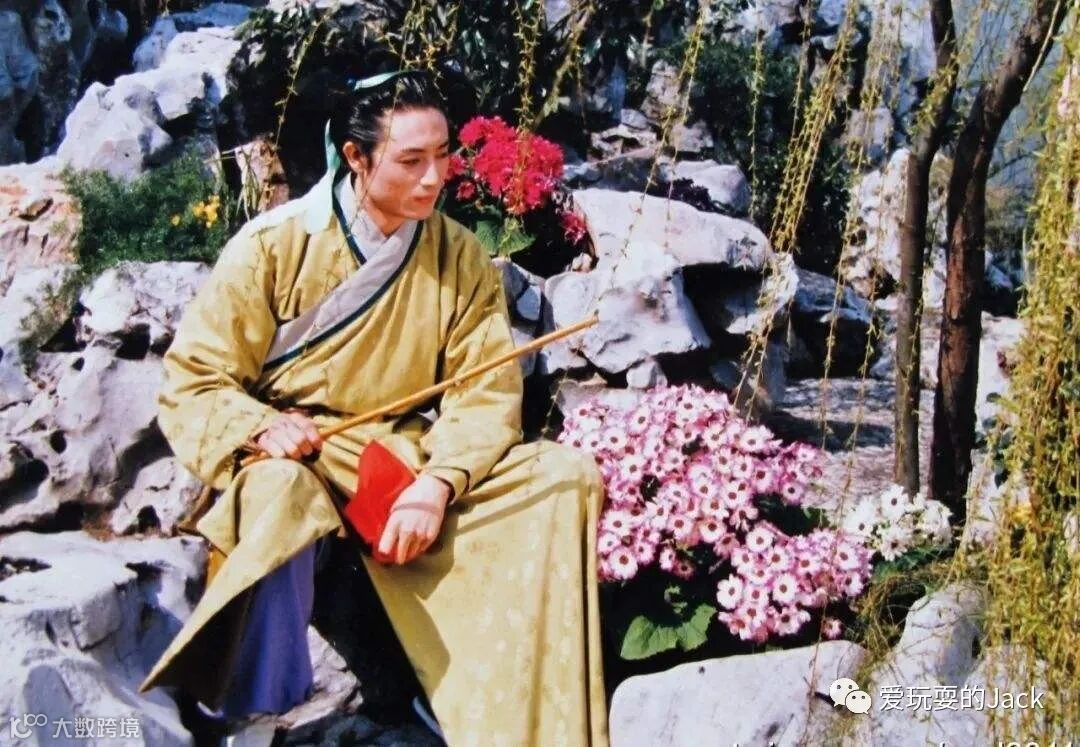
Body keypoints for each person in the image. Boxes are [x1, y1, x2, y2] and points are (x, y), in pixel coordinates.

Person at [138, 69, 609, 746]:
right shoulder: (274, 246)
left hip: (401, 460)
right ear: (356, 157)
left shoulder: (459, 254)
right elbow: (195, 377)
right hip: (299, 455)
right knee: (278, 493)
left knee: (562, 476)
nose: (434, 177)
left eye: (443, 155)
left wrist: (439, 483)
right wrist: (260, 426)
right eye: (411, 160)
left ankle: (498, 705)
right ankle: (246, 709)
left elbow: (484, 394)